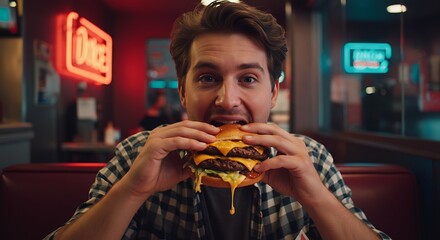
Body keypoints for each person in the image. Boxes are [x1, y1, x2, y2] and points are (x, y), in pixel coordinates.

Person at [45, 1, 390, 239]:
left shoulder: (309, 158)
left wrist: (316, 198)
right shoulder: (139, 154)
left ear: (273, 93)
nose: (227, 100)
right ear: (182, 92)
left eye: (249, 79)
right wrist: (133, 190)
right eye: (208, 78)